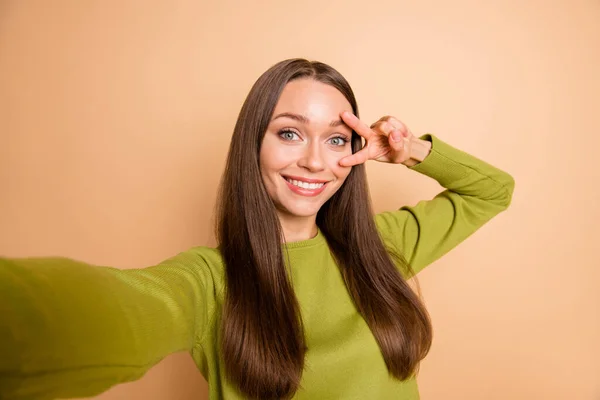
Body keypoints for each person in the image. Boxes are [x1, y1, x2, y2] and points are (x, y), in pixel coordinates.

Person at [0, 58, 515, 400]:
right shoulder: (210, 281)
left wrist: (410, 150)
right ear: (253, 144)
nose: (315, 161)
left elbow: (493, 189)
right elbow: (104, 310)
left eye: (337, 140)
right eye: (289, 133)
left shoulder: (381, 247)